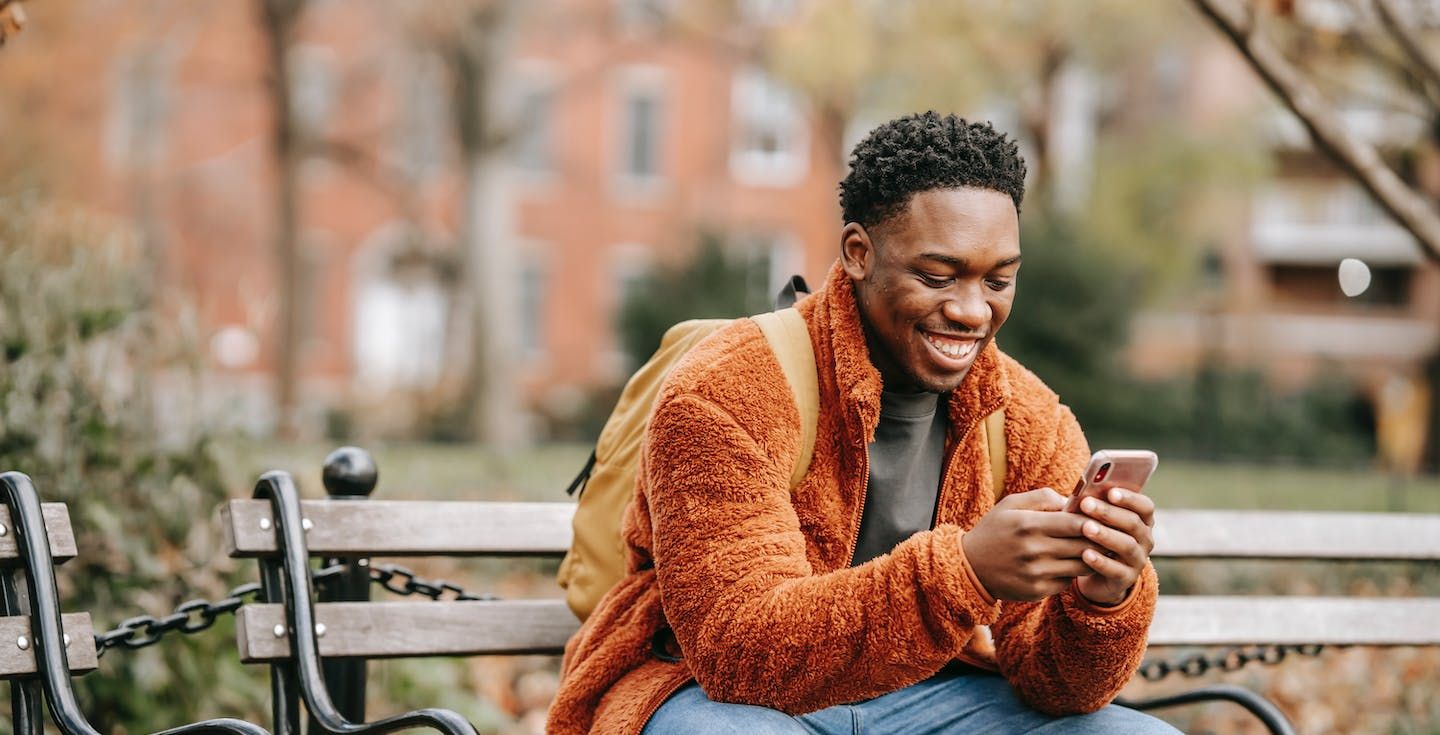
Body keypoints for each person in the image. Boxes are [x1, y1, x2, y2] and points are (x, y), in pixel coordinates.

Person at [547, 112, 1180, 734]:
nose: (970, 311)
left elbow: (1060, 688)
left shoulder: (1026, 417)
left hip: (931, 697)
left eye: (999, 280)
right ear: (858, 253)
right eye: (937, 276)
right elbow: (737, 656)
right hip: (711, 694)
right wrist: (965, 572)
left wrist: (1100, 600)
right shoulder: (727, 386)